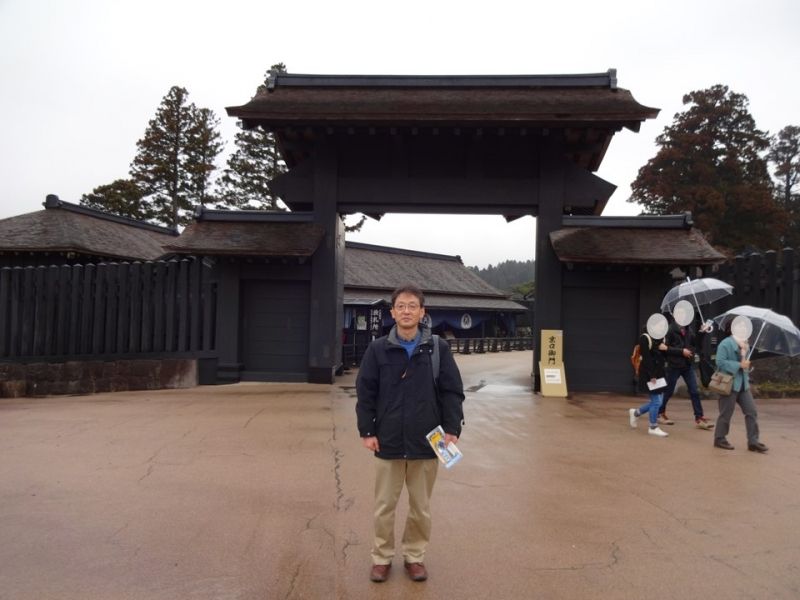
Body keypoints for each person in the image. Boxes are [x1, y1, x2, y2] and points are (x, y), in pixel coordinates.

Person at [356, 284, 465, 583]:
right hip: (388, 439)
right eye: (400, 306)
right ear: (392, 312)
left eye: (412, 306)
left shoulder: (438, 349)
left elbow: (452, 391)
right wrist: (367, 430)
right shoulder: (378, 349)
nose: (406, 311)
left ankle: (414, 557)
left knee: (420, 507)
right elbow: (365, 393)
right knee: (384, 507)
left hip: (426, 441)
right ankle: (382, 557)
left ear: (422, 312)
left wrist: (452, 428)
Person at [713, 321, 768, 452]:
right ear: (733, 329)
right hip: (729, 384)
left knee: (751, 412)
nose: (743, 329)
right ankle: (719, 438)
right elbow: (719, 362)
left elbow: (744, 364)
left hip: (743, 384)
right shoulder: (726, 343)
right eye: (741, 326)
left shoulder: (746, 345)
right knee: (726, 413)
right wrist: (739, 365)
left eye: (745, 327)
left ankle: (753, 441)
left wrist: (746, 364)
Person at [657, 315, 714, 429]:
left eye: (685, 312)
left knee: (694, 391)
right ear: (675, 315)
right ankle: (660, 413)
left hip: (687, 365)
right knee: (668, 391)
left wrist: (702, 332)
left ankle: (699, 418)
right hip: (674, 365)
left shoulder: (688, 329)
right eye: (681, 312)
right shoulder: (670, 329)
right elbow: (664, 349)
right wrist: (681, 352)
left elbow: (695, 344)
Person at [629, 326, 670, 437]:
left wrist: (665, 348)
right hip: (649, 374)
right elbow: (646, 358)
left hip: (659, 373)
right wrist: (652, 375)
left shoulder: (661, 339)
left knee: (658, 402)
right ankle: (653, 426)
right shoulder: (645, 338)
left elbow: (664, 356)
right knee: (656, 401)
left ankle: (636, 413)